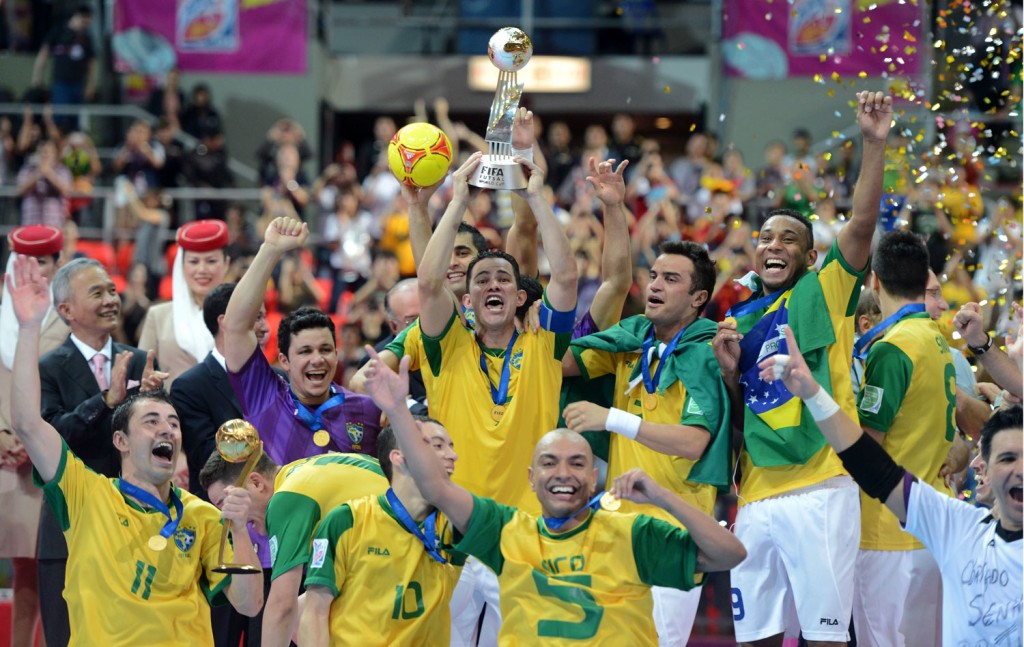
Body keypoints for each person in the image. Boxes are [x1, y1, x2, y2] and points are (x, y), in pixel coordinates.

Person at [360, 345, 747, 645]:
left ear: (593, 478)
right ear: (531, 478)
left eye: (577, 463)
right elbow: (435, 486)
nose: (563, 473)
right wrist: (398, 411)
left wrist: (662, 496)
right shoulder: (506, 532)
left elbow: (729, 554)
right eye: (549, 463)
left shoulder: (632, 534)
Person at [6, 254, 264, 645]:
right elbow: (28, 423)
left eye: (173, 423)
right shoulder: (87, 495)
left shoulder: (202, 515)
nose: (167, 430)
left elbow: (249, 603)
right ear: (121, 441)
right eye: (152, 421)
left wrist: (240, 530)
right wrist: (29, 327)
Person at [712, 90, 893, 647]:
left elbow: (862, 223)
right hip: (756, 494)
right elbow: (740, 416)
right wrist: (728, 375)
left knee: (824, 638)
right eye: (765, 238)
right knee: (756, 638)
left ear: (810, 256)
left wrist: (872, 143)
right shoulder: (737, 319)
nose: (773, 245)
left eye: (788, 239)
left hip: (822, 487)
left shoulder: (827, 288)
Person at [758, 326, 1022, 647]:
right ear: (984, 466)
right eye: (1008, 458)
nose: (1019, 471)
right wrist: (813, 394)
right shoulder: (958, 527)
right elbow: (874, 469)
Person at [562, 240, 731, 646]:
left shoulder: (705, 353)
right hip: (614, 530)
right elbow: (560, 365)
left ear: (698, 298)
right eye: (654, 276)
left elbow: (694, 442)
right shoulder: (631, 341)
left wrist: (613, 419)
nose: (655, 285)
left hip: (671, 536)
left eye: (671, 279)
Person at [36, 257, 168, 647]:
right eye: (97, 293)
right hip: (69, 524)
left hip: (136, 524)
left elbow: (161, 444)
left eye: (112, 290)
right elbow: (52, 437)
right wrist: (106, 400)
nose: (111, 299)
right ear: (67, 310)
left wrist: (154, 403)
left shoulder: (141, 361)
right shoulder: (47, 367)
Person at [851, 231, 958, 647]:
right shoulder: (934, 337)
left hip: (887, 534)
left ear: (874, 280)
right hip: (929, 524)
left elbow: (866, 446)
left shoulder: (892, 347)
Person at [221, 216, 382, 465]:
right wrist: (270, 250)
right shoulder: (265, 398)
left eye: (325, 349)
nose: (317, 359)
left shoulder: (368, 409)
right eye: (305, 351)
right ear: (284, 360)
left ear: (336, 355)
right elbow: (235, 327)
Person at [295, 419, 463, 645]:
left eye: (451, 446)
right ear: (399, 458)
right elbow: (315, 613)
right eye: (438, 446)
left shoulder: (455, 525)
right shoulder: (347, 521)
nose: (453, 455)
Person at [199, 449, 388, 647]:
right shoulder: (299, 474)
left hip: (395, 553)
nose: (227, 517)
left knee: (309, 613)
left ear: (256, 483)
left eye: (226, 502)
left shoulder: (286, 498)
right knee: (303, 614)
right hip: (393, 543)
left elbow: (282, 606)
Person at [0, 225, 68, 647]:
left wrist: (35, 438)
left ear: (58, 265)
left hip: (49, 453)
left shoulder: (69, 316)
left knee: (49, 567)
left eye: (43, 262)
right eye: (25, 261)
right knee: (24, 569)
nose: (34, 270)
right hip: (5, 458)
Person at [171, 283, 269, 499]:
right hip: (221, 509)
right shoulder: (189, 387)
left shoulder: (279, 378)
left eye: (265, 317)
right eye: (257, 317)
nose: (265, 327)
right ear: (226, 322)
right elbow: (209, 461)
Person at [139, 219, 231, 388]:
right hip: (170, 403)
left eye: (211, 261)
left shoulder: (238, 317)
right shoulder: (158, 316)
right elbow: (140, 376)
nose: (202, 270)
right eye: (194, 262)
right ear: (181, 265)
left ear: (226, 264)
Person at [30, 4, 96, 129]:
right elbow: (43, 53)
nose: (85, 25)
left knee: (76, 120)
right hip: (61, 83)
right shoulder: (58, 31)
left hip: (78, 84)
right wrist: (37, 76)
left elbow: (91, 64)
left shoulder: (86, 38)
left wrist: (90, 84)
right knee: (59, 118)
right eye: (83, 21)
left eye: (88, 23)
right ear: (76, 16)